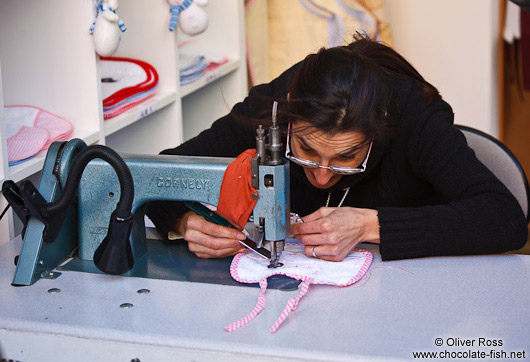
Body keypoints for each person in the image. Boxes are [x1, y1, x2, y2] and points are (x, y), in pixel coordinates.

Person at [146, 33, 528, 262]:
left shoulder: (416, 119)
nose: (323, 175)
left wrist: (371, 224)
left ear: (379, 132)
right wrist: (183, 221)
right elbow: (159, 176)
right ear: (290, 119)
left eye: (346, 157)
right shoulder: (272, 107)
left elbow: (505, 219)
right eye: (307, 151)